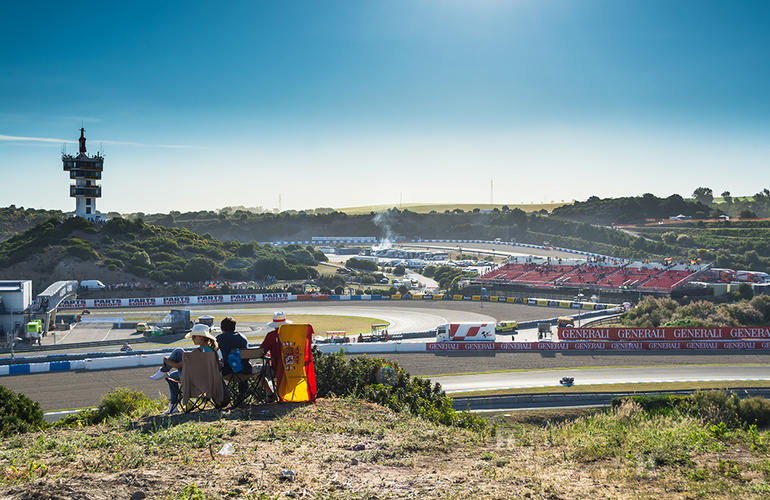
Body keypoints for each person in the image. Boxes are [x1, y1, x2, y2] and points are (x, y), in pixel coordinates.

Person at [149, 323, 219, 415]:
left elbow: (178, 365)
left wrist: (165, 360)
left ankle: (163, 371)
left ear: (201, 337)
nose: (192, 339)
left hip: (194, 382)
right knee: (172, 377)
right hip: (206, 381)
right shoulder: (212, 351)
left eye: (194, 337)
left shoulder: (198, 352)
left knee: (179, 351)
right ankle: (173, 406)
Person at [259, 311, 292, 400]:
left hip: (277, 368)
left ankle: (270, 393)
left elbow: (260, 351)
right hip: (294, 368)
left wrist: (270, 356)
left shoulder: (271, 336)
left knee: (255, 370)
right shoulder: (293, 335)